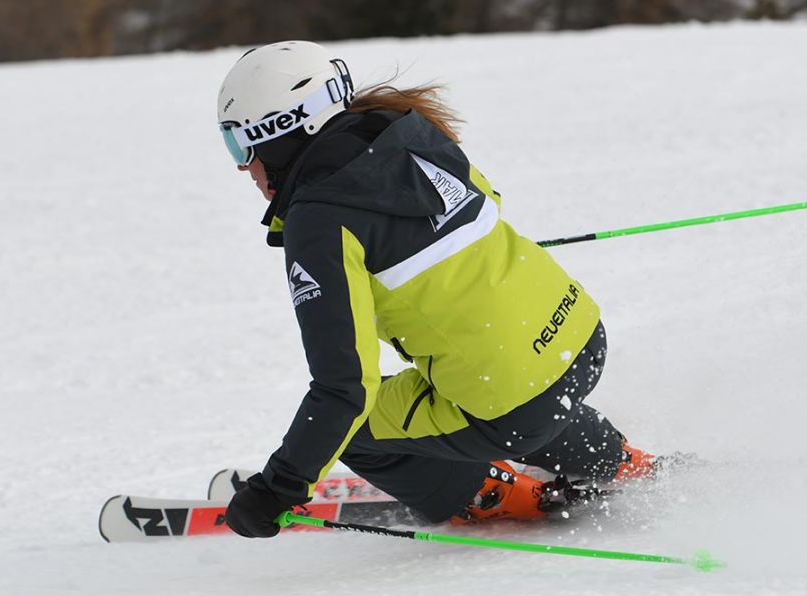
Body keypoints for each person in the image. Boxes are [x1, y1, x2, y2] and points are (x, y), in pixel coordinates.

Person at [216, 41, 654, 538]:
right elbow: (487, 202)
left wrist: (277, 490)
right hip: (581, 339)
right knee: (510, 376)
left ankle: (489, 495)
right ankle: (617, 460)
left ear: (279, 133)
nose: (242, 166)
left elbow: (344, 389)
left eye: (238, 144)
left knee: (354, 429)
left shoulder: (319, 221)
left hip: (512, 403)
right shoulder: (410, 132)